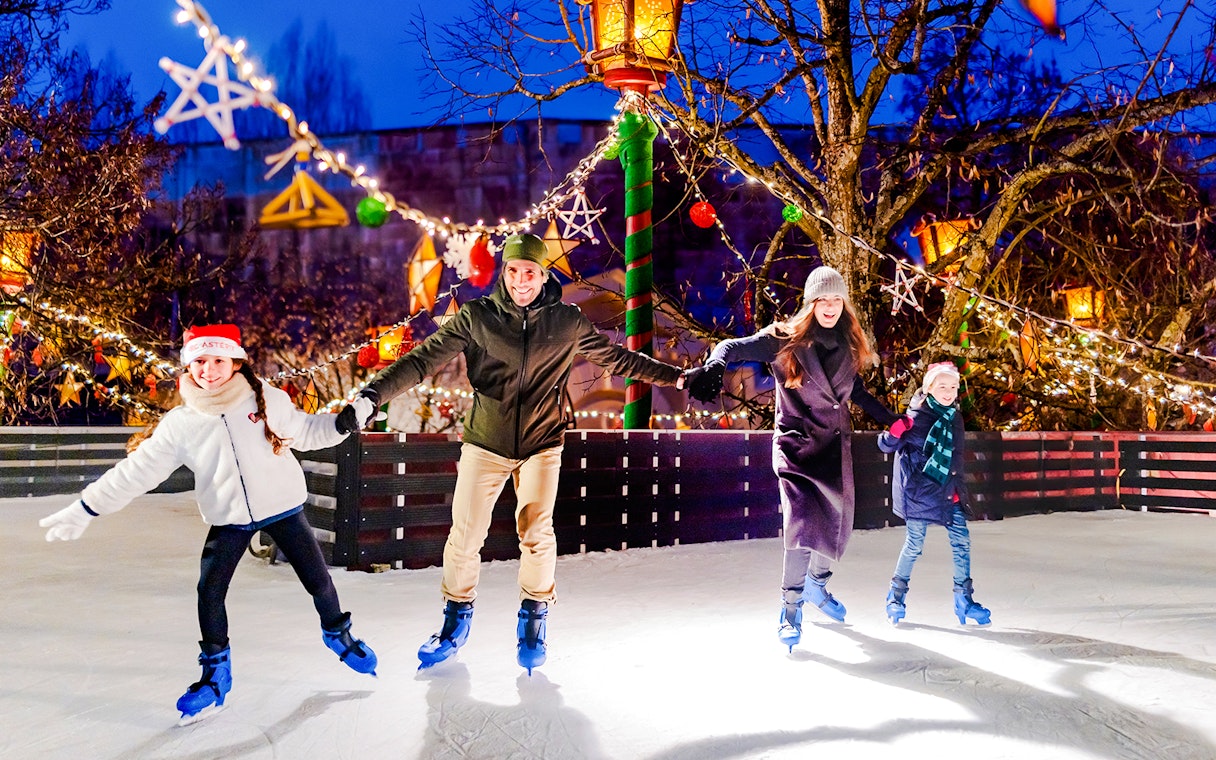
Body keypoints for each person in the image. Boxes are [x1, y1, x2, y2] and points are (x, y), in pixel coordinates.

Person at [338, 233, 692, 673]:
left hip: (542, 444)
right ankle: (455, 620)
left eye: (530, 271)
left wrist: (680, 379)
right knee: (465, 535)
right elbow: (421, 361)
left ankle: (533, 619)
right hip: (486, 441)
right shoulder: (477, 317)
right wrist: (372, 395)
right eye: (512, 271)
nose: (521, 280)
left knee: (536, 532)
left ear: (544, 275)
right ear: (503, 273)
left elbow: (619, 360)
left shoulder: (566, 321)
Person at [39, 325, 379, 725]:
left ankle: (338, 634)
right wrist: (86, 507)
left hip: (283, 507)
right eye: (199, 361)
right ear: (188, 365)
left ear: (235, 363)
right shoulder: (182, 423)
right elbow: (138, 470)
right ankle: (216, 674)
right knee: (209, 591)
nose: (209, 370)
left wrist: (343, 423)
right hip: (230, 519)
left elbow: (304, 431)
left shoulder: (266, 398)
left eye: (218, 361)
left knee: (318, 581)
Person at [687, 265, 901, 651]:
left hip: (834, 446)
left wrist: (894, 422)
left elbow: (859, 394)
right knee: (802, 525)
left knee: (836, 525)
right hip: (797, 447)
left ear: (844, 303)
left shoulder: (851, 345)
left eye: (837, 299)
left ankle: (818, 586)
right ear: (811, 303)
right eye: (823, 299)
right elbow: (732, 347)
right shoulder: (783, 339)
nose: (831, 306)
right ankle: (790, 608)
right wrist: (717, 365)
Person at [877, 361, 991, 626]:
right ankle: (895, 596)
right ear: (929, 388)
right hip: (920, 492)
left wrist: (958, 488)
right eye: (942, 386)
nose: (948, 391)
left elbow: (956, 458)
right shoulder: (915, 417)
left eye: (953, 386)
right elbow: (886, 445)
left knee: (962, 543)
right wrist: (893, 433)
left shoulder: (956, 418)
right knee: (914, 545)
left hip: (949, 491)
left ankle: (964, 600)